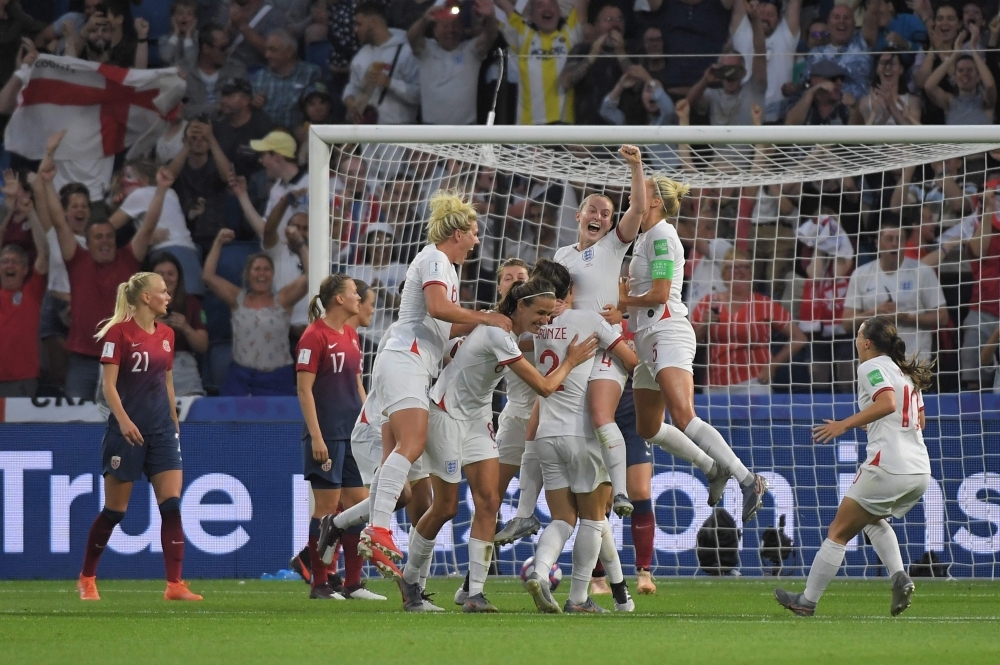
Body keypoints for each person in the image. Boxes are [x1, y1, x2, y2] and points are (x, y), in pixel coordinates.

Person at [401, 278, 600, 612]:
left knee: (490, 500)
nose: (545, 321)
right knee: (446, 507)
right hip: (447, 415)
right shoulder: (496, 334)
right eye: (540, 313)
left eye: (550, 314)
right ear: (520, 306)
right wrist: (572, 360)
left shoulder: (504, 331)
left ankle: (473, 594)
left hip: (478, 419)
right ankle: (409, 579)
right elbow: (545, 387)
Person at [360, 191, 512, 569]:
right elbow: (438, 308)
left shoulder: (445, 267)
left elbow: (445, 326)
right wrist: (485, 316)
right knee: (412, 443)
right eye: (474, 232)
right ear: (457, 232)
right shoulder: (435, 258)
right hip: (405, 359)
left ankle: (373, 530)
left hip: (409, 362)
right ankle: (377, 530)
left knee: (400, 452)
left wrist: (481, 326)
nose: (478, 240)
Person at [617, 175, 769, 524]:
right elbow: (642, 300)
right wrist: (623, 305)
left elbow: (659, 294)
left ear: (654, 201)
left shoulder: (662, 238)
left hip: (667, 332)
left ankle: (749, 480)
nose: (633, 193)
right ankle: (711, 466)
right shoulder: (645, 238)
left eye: (642, 190)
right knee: (648, 427)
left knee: (684, 415)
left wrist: (622, 298)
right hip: (647, 337)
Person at [776, 316, 932, 617]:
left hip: (888, 465)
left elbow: (886, 404)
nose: (856, 338)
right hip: (919, 470)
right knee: (871, 520)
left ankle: (806, 601)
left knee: (838, 531)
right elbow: (918, 421)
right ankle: (900, 576)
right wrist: (874, 425)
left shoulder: (870, 366)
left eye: (859, 333)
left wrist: (844, 425)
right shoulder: (906, 373)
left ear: (867, 343)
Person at [77, 272, 202, 602]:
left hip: (162, 431)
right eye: (162, 291)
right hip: (126, 434)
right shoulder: (117, 335)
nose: (168, 296)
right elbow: (108, 386)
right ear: (146, 298)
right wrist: (124, 421)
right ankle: (87, 577)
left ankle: (174, 585)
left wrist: (175, 425)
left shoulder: (168, 335)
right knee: (115, 511)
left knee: (172, 505)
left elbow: (168, 382)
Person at [523, 272, 638, 614]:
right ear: (571, 290)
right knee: (591, 518)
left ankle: (541, 572)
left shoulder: (539, 328)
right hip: (582, 433)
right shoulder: (588, 319)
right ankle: (577, 599)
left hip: (546, 433)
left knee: (561, 518)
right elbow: (631, 361)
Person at [547, 145, 646, 517]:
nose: (600, 217)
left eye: (606, 214)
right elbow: (555, 299)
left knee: (601, 415)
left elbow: (636, 209)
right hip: (573, 351)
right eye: (593, 210)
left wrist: (635, 166)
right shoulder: (561, 255)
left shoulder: (613, 246)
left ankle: (621, 493)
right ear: (579, 214)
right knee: (564, 433)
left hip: (607, 346)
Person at [50, 152, 169, 398]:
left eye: (109, 236)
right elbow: (60, 223)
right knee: (77, 425)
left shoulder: (128, 258)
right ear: (88, 241)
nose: (105, 241)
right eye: (98, 237)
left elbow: (147, 227)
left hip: (122, 359)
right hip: (83, 360)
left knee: (123, 422)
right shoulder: (77, 259)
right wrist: (46, 183)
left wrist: (161, 190)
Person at [295, 274, 368, 599]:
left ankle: (353, 583)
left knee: (359, 506)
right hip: (327, 435)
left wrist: (369, 422)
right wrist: (316, 436)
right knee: (325, 509)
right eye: (354, 292)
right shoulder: (313, 337)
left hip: (353, 434)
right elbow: (304, 390)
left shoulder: (352, 334)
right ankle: (320, 583)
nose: (358, 297)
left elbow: (357, 386)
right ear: (339, 299)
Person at [202, 228, 308, 395]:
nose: (262, 274)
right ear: (248, 274)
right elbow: (208, 276)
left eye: (267, 269)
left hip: (277, 379)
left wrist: (301, 244)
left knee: (280, 421)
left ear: (272, 275)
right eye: (257, 269)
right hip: (240, 378)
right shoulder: (237, 299)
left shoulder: (283, 300)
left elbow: (311, 277)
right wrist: (218, 242)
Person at [691, 248, 807, 394]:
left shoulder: (764, 304)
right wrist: (705, 324)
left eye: (744, 267)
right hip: (716, 384)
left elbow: (799, 338)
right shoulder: (708, 302)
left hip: (754, 382)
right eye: (733, 267)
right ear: (724, 274)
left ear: (751, 273)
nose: (739, 271)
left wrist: (772, 365)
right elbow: (689, 343)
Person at [841, 220, 948, 363]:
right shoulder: (861, 275)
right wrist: (875, 313)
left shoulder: (923, 272)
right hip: (873, 363)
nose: (894, 244)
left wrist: (907, 318)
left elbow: (943, 317)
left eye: (900, 239)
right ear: (877, 243)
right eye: (889, 239)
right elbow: (847, 323)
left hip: (914, 360)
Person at [108, 160, 203, 296]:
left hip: (166, 254)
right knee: (192, 306)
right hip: (190, 254)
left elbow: (107, 227)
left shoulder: (139, 194)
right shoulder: (170, 192)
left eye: (129, 177)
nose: (123, 182)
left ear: (144, 180)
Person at [495, 0, 589, 125]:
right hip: (530, 132)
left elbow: (582, 4)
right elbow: (503, 5)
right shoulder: (523, 34)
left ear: (560, 12)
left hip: (564, 130)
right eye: (540, 5)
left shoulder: (570, 33)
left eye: (552, 4)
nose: (547, 8)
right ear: (531, 16)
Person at [407, 0, 496, 125]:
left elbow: (490, 36)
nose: (451, 30)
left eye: (455, 25)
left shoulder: (470, 51)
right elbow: (412, 37)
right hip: (431, 133)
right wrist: (425, 19)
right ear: (435, 31)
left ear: (462, 28)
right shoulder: (426, 50)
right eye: (445, 26)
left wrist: (490, 16)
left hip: (465, 133)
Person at [686, 8, 767, 128]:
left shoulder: (754, 88)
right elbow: (686, 104)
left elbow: (760, 52)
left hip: (752, 146)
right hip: (719, 147)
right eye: (725, 69)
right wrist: (705, 80)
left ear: (743, 72)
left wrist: (755, 20)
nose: (730, 74)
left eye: (734, 69)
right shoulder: (713, 96)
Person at [559, 3, 635, 126]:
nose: (615, 24)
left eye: (619, 19)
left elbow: (636, 84)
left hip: (622, 132)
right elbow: (566, 81)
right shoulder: (582, 50)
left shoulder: (632, 50)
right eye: (609, 20)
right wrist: (591, 56)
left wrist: (621, 53)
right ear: (596, 26)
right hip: (587, 132)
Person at [344, 1, 419, 124]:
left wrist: (389, 82)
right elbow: (352, 86)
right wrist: (349, 100)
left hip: (400, 135)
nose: (355, 30)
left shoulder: (406, 51)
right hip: (368, 137)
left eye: (359, 24)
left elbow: (418, 95)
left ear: (373, 22)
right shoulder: (361, 55)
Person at [166, 119, 234, 257]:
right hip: (183, 235)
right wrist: (186, 146)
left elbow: (229, 177)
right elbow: (167, 178)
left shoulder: (217, 164)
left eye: (203, 138)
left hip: (215, 233)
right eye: (194, 138)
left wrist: (212, 138)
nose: (198, 141)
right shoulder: (176, 164)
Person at [730, 0, 801, 123]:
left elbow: (796, 2)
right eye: (761, 13)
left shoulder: (786, 35)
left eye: (771, 14)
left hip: (778, 116)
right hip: (744, 113)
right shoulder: (742, 30)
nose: (764, 18)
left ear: (779, 19)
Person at [0, 211, 47, 397]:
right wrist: (8, 211)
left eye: (15, 262)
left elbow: (43, 252)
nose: (10, 266)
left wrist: (31, 212)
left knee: (18, 428)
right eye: (5, 262)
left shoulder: (31, 292)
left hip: (22, 380)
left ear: (25, 269)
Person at [150, 252, 208, 397]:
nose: (166, 278)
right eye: (160, 274)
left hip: (183, 366)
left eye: (171, 274)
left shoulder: (192, 303)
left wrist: (186, 328)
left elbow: (203, 345)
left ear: (178, 277)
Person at [802, 2, 879, 101]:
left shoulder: (862, 42)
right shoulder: (815, 53)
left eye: (847, 18)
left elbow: (872, 14)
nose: (841, 21)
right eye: (837, 17)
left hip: (855, 111)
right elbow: (805, 84)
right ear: (828, 24)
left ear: (854, 24)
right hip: (822, 110)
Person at [250, 29, 323, 128]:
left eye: (273, 50)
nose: (267, 55)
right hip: (263, 137)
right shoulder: (258, 77)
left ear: (289, 52)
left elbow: (319, 109)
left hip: (298, 135)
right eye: (266, 50)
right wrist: (252, 105)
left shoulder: (311, 73)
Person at [924, 29, 996, 125]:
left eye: (970, 70)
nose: (965, 73)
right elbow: (929, 87)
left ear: (978, 77)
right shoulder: (949, 101)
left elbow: (990, 85)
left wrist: (973, 49)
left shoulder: (985, 101)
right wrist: (955, 54)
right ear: (955, 77)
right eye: (960, 70)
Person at [179, 23, 247, 121]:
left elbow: (242, 109)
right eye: (223, 48)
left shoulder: (237, 70)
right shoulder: (183, 71)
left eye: (228, 46)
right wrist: (215, 109)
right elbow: (181, 111)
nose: (228, 51)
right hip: (191, 129)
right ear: (206, 48)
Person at [855, 48, 920, 125]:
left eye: (892, 63)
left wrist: (892, 106)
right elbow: (867, 135)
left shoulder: (912, 101)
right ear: (877, 69)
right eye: (883, 63)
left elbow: (914, 133)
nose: (888, 67)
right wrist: (881, 115)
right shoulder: (866, 102)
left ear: (901, 69)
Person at [785, 59, 856, 126]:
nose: (839, 83)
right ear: (816, 81)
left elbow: (856, 134)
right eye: (833, 78)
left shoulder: (845, 102)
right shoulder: (799, 99)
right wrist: (811, 92)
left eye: (841, 78)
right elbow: (790, 124)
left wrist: (854, 108)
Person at [227, 0, 288, 71]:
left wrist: (242, 26)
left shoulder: (274, 15)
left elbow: (273, 52)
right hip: (225, 69)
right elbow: (215, 44)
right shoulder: (226, 8)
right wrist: (228, 29)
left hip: (254, 73)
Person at [159, 0, 199, 69]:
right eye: (180, 13)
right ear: (173, 18)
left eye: (189, 14)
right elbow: (165, 58)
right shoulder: (165, 39)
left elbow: (192, 62)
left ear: (194, 19)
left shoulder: (199, 38)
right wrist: (175, 34)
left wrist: (188, 37)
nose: (184, 17)